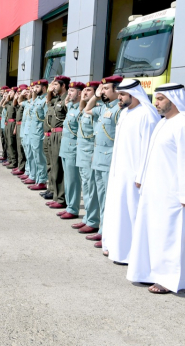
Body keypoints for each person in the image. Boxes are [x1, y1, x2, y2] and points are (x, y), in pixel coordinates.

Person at [127, 83, 185, 294]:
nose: (156, 103)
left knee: (171, 237)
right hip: (155, 192)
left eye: (160, 98)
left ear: (174, 99)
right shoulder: (164, 123)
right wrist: (141, 177)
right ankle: (151, 273)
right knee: (154, 235)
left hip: (173, 196)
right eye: (156, 98)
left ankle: (168, 279)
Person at [102, 79, 160, 264]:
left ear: (134, 95)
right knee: (119, 211)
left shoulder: (147, 114)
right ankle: (118, 249)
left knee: (133, 213)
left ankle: (134, 254)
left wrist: (141, 175)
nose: (119, 97)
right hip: (120, 172)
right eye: (119, 94)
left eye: (122, 95)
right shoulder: (125, 112)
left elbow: (149, 149)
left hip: (136, 175)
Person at [83, 75, 123, 248]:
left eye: (106, 88)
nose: (103, 90)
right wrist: (96, 96)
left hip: (110, 159)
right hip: (98, 158)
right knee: (100, 196)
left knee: (108, 198)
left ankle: (107, 232)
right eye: (102, 88)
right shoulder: (103, 107)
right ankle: (102, 230)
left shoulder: (119, 110)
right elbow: (86, 110)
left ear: (117, 90)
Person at [71, 82, 102, 235]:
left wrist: (92, 99)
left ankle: (93, 220)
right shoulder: (83, 109)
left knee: (91, 189)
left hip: (90, 152)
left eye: (88, 91)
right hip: (82, 152)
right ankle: (88, 218)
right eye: (83, 90)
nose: (84, 93)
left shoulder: (97, 109)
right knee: (86, 187)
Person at [57, 81, 85, 220]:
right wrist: (68, 101)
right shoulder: (71, 108)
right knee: (68, 180)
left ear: (80, 93)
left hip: (74, 149)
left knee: (73, 181)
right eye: (69, 90)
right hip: (65, 148)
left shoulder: (81, 109)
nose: (69, 93)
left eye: (72, 91)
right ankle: (69, 206)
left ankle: (73, 209)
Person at [45, 76, 69, 208]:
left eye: (55, 85)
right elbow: (48, 101)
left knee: (59, 167)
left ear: (63, 85)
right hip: (53, 133)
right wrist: (50, 90)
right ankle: (56, 196)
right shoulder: (58, 99)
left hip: (61, 134)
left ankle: (61, 199)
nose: (53, 87)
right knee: (54, 166)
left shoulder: (66, 99)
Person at [24, 80, 48, 190]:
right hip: (33, 132)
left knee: (39, 158)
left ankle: (42, 181)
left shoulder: (45, 100)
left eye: (37, 87)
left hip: (39, 132)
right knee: (34, 156)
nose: (34, 89)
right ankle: (37, 179)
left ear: (44, 88)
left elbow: (47, 118)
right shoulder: (37, 99)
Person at [11, 84, 28, 176]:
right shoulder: (21, 101)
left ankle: (22, 167)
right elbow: (14, 105)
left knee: (22, 148)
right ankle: (19, 165)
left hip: (23, 126)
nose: (18, 93)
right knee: (18, 147)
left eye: (20, 91)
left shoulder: (26, 101)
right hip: (18, 125)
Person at [2, 87, 18, 170]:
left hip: (13, 123)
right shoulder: (9, 102)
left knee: (12, 143)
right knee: (8, 142)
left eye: (11, 92)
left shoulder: (16, 103)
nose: (10, 93)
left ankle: (14, 162)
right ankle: (10, 159)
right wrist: (7, 97)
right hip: (8, 122)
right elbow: (3, 105)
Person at [0, 86, 10, 161]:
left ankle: (7, 156)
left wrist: (5, 99)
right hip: (1, 122)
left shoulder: (8, 101)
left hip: (5, 123)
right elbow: (0, 106)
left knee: (7, 141)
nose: (1, 93)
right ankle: (4, 154)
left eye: (2, 91)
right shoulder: (3, 99)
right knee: (3, 140)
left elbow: (3, 106)